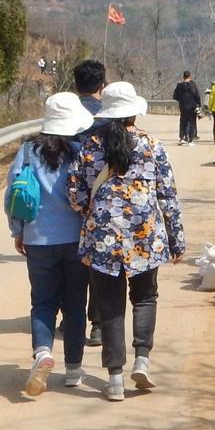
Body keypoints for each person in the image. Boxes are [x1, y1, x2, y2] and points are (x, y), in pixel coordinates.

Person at [69, 81, 186, 402]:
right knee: (145, 297)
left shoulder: (89, 147)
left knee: (109, 307)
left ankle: (115, 379)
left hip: (103, 239)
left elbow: (76, 196)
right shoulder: (151, 145)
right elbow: (168, 196)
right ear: (134, 111)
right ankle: (143, 361)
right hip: (145, 237)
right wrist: (176, 239)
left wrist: (95, 215)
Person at [8, 93, 95, 396]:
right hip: (76, 240)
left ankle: (43, 353)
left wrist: (18, 231)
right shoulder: (83, 151)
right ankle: (73, 370)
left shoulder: (28, 151)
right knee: (75, 305)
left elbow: (14, 194)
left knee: (43, 302)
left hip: (38, 240)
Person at [71, 57, 108, 345]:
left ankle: (71, 319)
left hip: (67, 200)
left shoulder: (66, 116)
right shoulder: (109, 116)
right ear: (102, 85)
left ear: (75, 85)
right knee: (96, 264)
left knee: (70, 264)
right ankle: (97, 324)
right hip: (100, 201)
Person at [172, 70, 200, 146]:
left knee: (183, 123)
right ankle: (190, 140)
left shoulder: (179, 85)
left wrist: (181, 100)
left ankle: (182, 138)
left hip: (183, 107)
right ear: (190, 76)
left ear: (183, 77)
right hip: (192, 107)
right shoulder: (193, 84)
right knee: (192, 123)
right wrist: (198, 105)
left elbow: (175, 96)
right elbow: (197, 95)